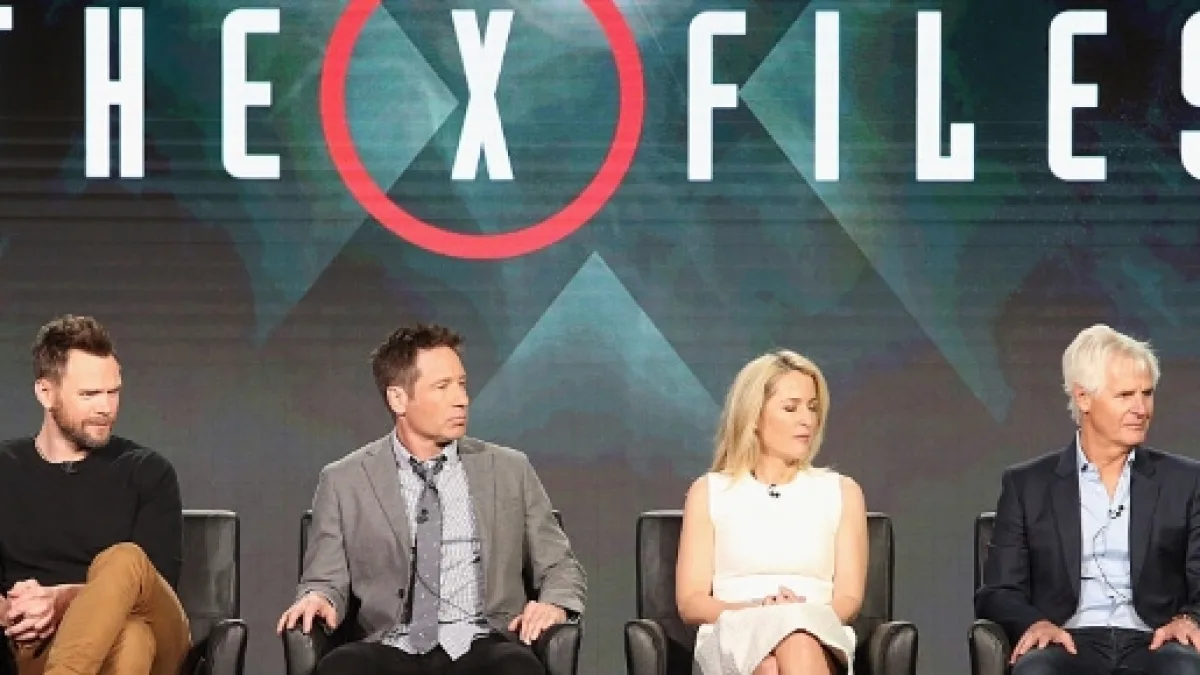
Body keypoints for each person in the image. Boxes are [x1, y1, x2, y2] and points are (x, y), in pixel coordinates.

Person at [277, 322, 586, 675]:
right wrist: (319, 598)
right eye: (443, 387)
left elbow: (560, 566)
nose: (461, 399)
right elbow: (324, 578)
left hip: (484, 643)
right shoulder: (344, 481)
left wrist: (553, 604)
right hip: (389, 644)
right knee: (341, 669)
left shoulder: (509, 470)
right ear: (398, 399)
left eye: (462, 384)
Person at [976, 324, 1200, 675]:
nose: (1141, 409)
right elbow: (998, 591)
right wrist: (1036, 624)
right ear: (1083, 398)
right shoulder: (1028, 485)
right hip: (1066, 640)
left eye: (1147, 393)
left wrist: (1190, 619)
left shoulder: (1185, 481)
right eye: (1125, 395)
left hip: (1156, 640)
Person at [0, 315, 190, 675]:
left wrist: (60, 601)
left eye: (113, 392)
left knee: (126, 561)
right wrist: (16, 611)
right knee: (131, 641)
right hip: (39, 645)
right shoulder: (5, 468)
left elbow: (154, 588)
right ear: (45, 393)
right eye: (89, 395)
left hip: (160, 636)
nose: (106, 408)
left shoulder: (146, 471)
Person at [676, 350, 868, 675]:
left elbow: (848, 598)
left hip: (817, 631)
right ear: (753, 416)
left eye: (812, 408)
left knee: (793, 643)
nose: (807, 420)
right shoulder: (710, 491)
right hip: (735, 631)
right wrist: (761, 612)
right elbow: (691, 601)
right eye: (791, 408)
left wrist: (798, 617)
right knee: (767, 664)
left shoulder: (842, 492)